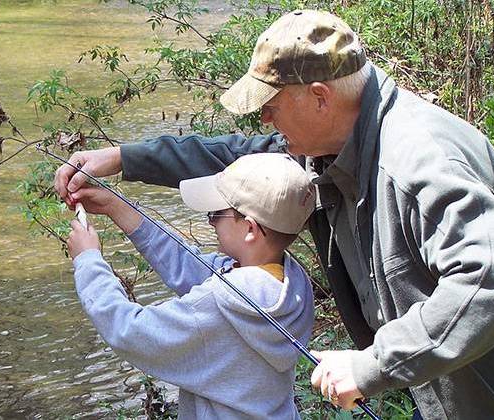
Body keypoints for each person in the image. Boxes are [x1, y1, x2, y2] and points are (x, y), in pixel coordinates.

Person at [56, 9, 494, 420]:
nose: (263, 118)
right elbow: (239, 163)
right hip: (440, 387)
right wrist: (124, 158)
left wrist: (370, 366)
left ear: (319, 96)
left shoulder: (418, 162)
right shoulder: (330, 144)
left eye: (271, 105)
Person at [66, 153, 316, 419]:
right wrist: (116, 206)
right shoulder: (292, 284)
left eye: (215, 214)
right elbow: (188, 263)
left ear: (250, 229)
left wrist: (88, 260)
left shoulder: (218, 306)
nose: (210, 221)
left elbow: (129, 330)